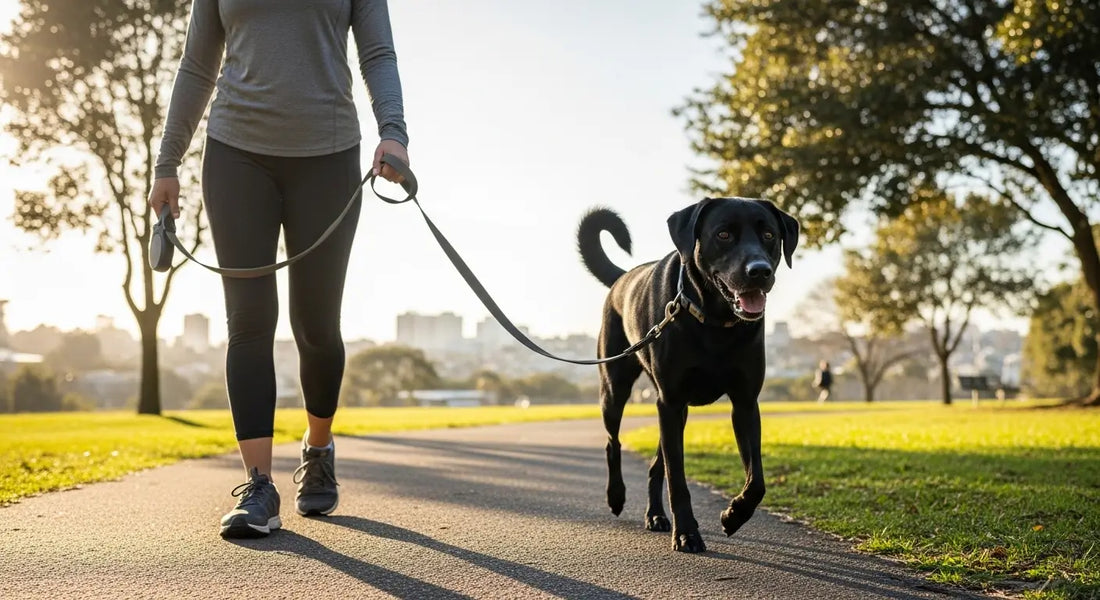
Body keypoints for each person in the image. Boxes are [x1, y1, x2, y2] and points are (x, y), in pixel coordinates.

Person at [147, 0, 410, 539]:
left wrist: (394, 132)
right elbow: (197, 64)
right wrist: (167, 162)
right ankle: (259, 484)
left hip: (329, 155)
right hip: (235, 153)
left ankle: (317, 447)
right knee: (249, 320)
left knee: (315, 324)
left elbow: (377, 52)